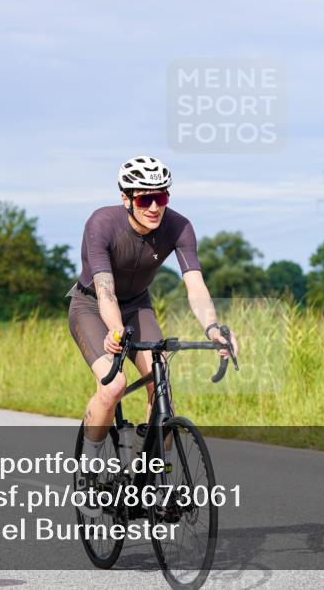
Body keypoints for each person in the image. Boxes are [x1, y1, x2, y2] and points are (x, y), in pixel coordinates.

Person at [68, 156, 237, 510]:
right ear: (126, 198)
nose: (155, 207)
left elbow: (195, 285)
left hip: (138, 305)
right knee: (112, 385)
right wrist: (115, 332)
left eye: (162, 197)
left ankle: (154, 478)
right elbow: (105, 291)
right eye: (145, 199)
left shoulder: (179, 227)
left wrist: (213, 328)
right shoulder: (102, 223)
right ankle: (89, 469)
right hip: (92, 307)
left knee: (160, 387)